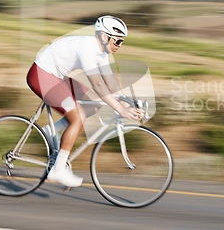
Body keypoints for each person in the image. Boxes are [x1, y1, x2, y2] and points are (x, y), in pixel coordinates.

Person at [26, 15, 143, 187]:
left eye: (122, 42)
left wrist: (125, 101)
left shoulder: (103, 52)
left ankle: (52, 130)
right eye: (117, 41)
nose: (120, 45)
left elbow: (109, 82)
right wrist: (120, 109)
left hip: (57, 76)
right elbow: (97, 84)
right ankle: (57, 171)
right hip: (41, 76)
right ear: (105, 37)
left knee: (95, 104)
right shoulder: (87, 48)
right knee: (77, 117)